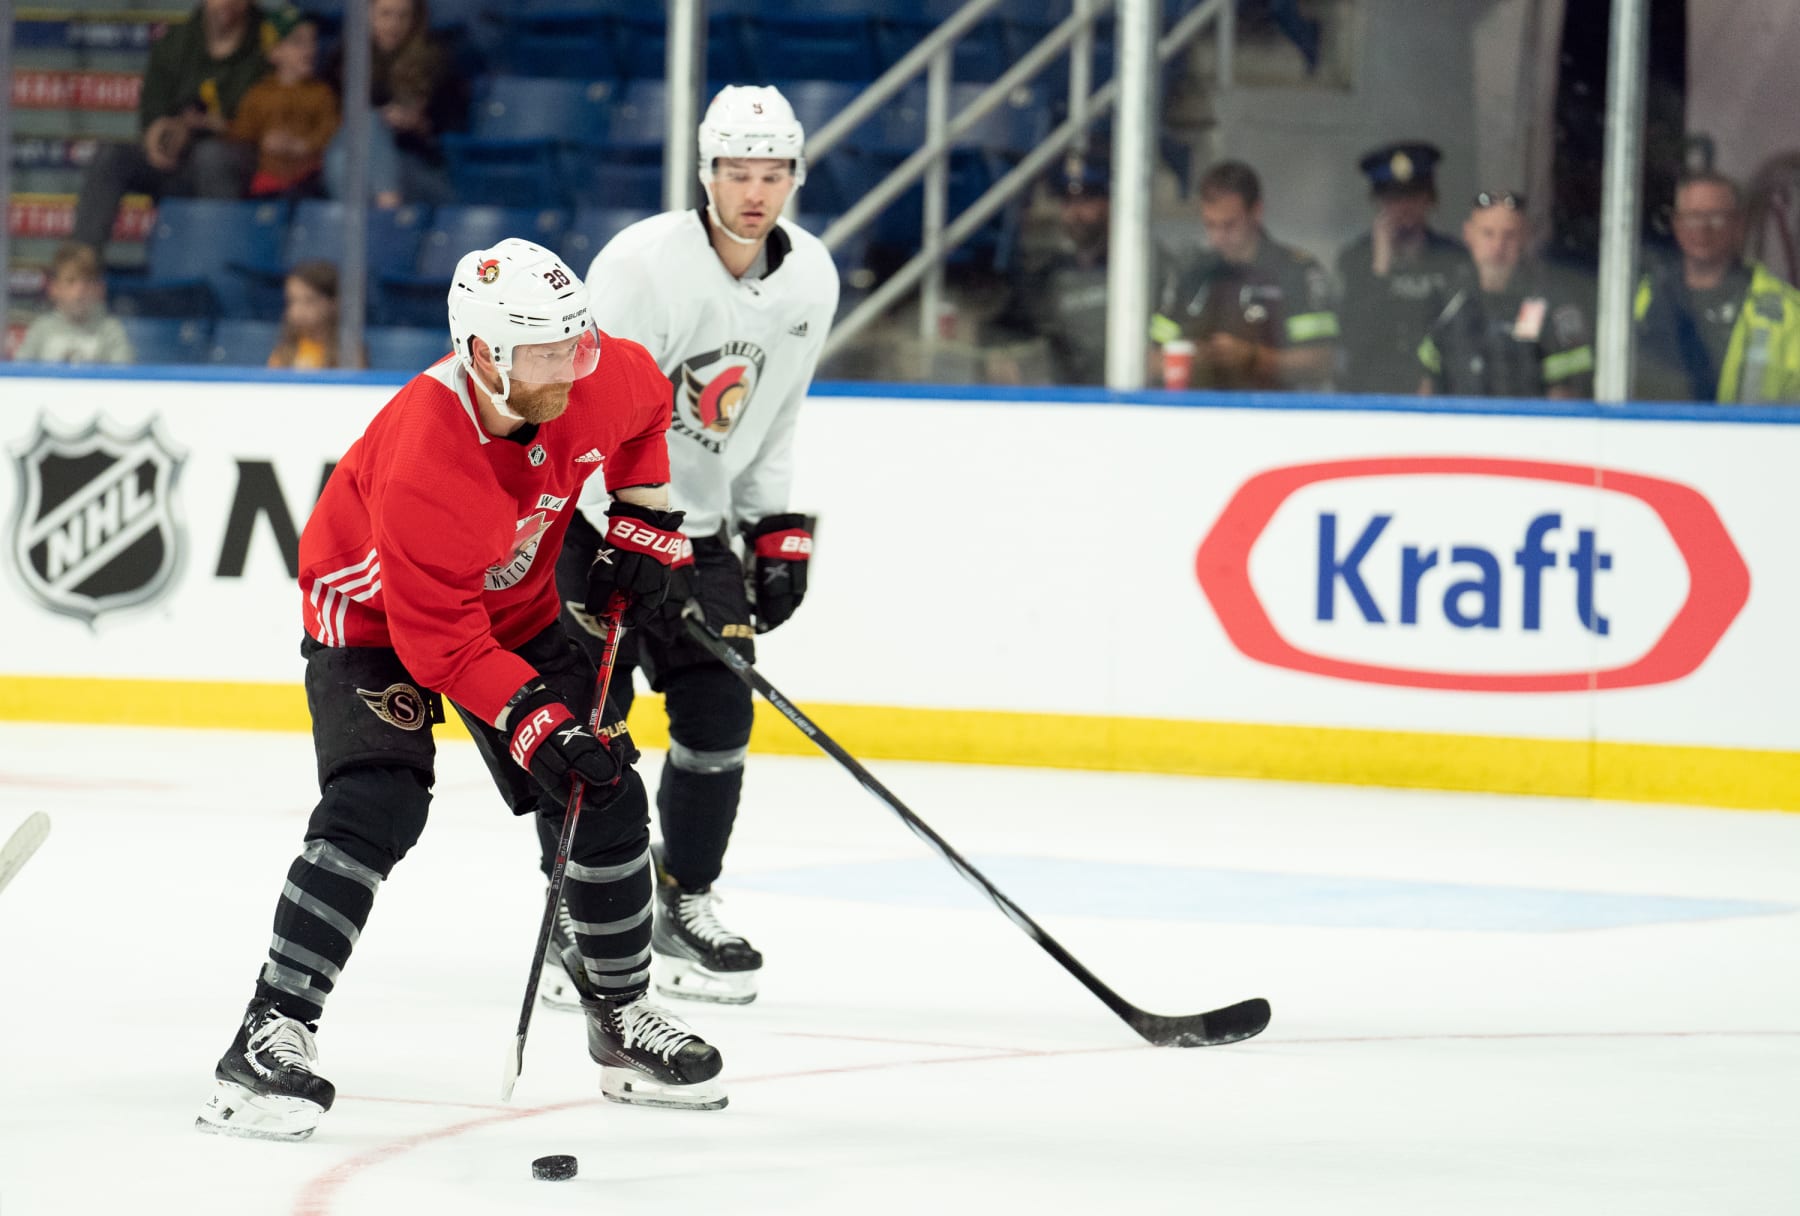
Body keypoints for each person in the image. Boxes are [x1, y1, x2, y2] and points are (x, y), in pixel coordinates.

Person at [195, 237, 728, 1142]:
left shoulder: (594, 377)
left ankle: (622, 1014)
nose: (573, 368)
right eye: (547, 353)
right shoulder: (427, 457)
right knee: (379, 801)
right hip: (374, 624)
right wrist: (540, 726)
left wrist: (642, 525)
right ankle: (269, 1031)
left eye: (578, 342)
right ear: (483, 354)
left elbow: (647, 411)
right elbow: (439, 647)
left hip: (511, 609)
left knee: (602, 788)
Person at [534, 85, 839, 1011]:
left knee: (719, 720)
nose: (756, 191)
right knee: (593, 732)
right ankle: (575, 919)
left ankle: (684, 898)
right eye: (738, 173)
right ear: (706, 174)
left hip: (695, 534)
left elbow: (774, 411)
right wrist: (633, 529)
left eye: (773, 173)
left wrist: (773, 526)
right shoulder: (642, 265)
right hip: (593, 526)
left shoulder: (810, 277)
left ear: (793, 176)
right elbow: (588, 412)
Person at [72, 0, 265, 253]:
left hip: (237, 160)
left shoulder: (267, 42)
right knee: (110, 156)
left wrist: (211, 126)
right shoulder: (178, 40)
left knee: (212, 157)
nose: (226, 3)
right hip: (177, 161)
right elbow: (152, 111)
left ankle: (215, 264)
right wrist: (157, 135)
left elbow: (265, 119)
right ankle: (80, 269)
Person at [1151, 159, 1336, 391]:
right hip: (1198, 414)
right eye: (1210, 225)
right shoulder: (1190, 274)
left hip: (1275, 417)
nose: (1218, 237)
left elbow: (1322, 361)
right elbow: (1149, 359)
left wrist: (1254, 359)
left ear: (1256, 212)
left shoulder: (1296, 273)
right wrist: (1192, 358)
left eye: (1229, 225)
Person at [1632, 170, 1800, 404]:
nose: (1702, 229)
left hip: (1752, 440)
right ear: (1676, 225)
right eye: (1692, 217)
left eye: (1716, 217)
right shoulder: (1637, 299)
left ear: (1738, 225)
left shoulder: (1788, 312)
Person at [1418, 190, 1594, 399]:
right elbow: (1428, 387)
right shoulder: (1447, 302)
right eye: (1488, 233)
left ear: (1525, 238)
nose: (1497, 247)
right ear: (1469, 236)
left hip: (1528, 429)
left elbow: (1566, 400)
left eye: (1509, 235)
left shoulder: (1554, 305)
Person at [1334, 141, 1473, 394]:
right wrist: (1380, 267)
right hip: (1372, 391)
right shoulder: (1355, 259)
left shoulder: (1454, 258)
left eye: (1413, 195)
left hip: (1440, 392)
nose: (1404, 206)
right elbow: (1351, 335)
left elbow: (1466, 330)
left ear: (1430, 199)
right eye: (1394, 197)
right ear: (1378, 201)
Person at [985, 156, 1115, 386]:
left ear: (1110, 203)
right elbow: (1007, 327)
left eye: (1087, 200)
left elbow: (1171, 328)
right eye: (1068, 201)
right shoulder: (1046, 276)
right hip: (1063, 401)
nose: (1075, 213)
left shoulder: (1144, 267)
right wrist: (1000, 352)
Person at [324, 0, 467, 208]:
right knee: (352, 144)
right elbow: (333, 121)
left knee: (357, 139)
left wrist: (419, 124)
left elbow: (452, 127)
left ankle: (378, 216)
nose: (394, 24)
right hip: (354, 161)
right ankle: (384, 214)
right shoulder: (345, 61)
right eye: (386, 15)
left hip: (416, 166)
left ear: (415, 19)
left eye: (403, 16)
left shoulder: (434, 62)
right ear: (368, 16)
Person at [228, 6, 338, 198]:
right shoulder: (259, 94)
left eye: (312, 41)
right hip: (266, 183)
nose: (309, 49)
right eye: (298, 42)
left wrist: (302, 145)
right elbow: (242, 134)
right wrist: (265, 142)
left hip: (309, 181)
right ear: (275, 52)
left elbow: (331, 130)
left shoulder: (322, 93)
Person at [15, 243, 134, 365]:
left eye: (88, 282)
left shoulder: (111, 331)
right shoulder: (40, 329)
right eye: (71, 281)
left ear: (100, 289)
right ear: (54, 288)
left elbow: (123, 378)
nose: (80, 290)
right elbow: (20, 376)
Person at [268, 260, 364, 369]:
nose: (298, 310)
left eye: (309, 301)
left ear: (333, 303)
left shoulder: (349, 354)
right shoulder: (282, 353)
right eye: (292, 301)